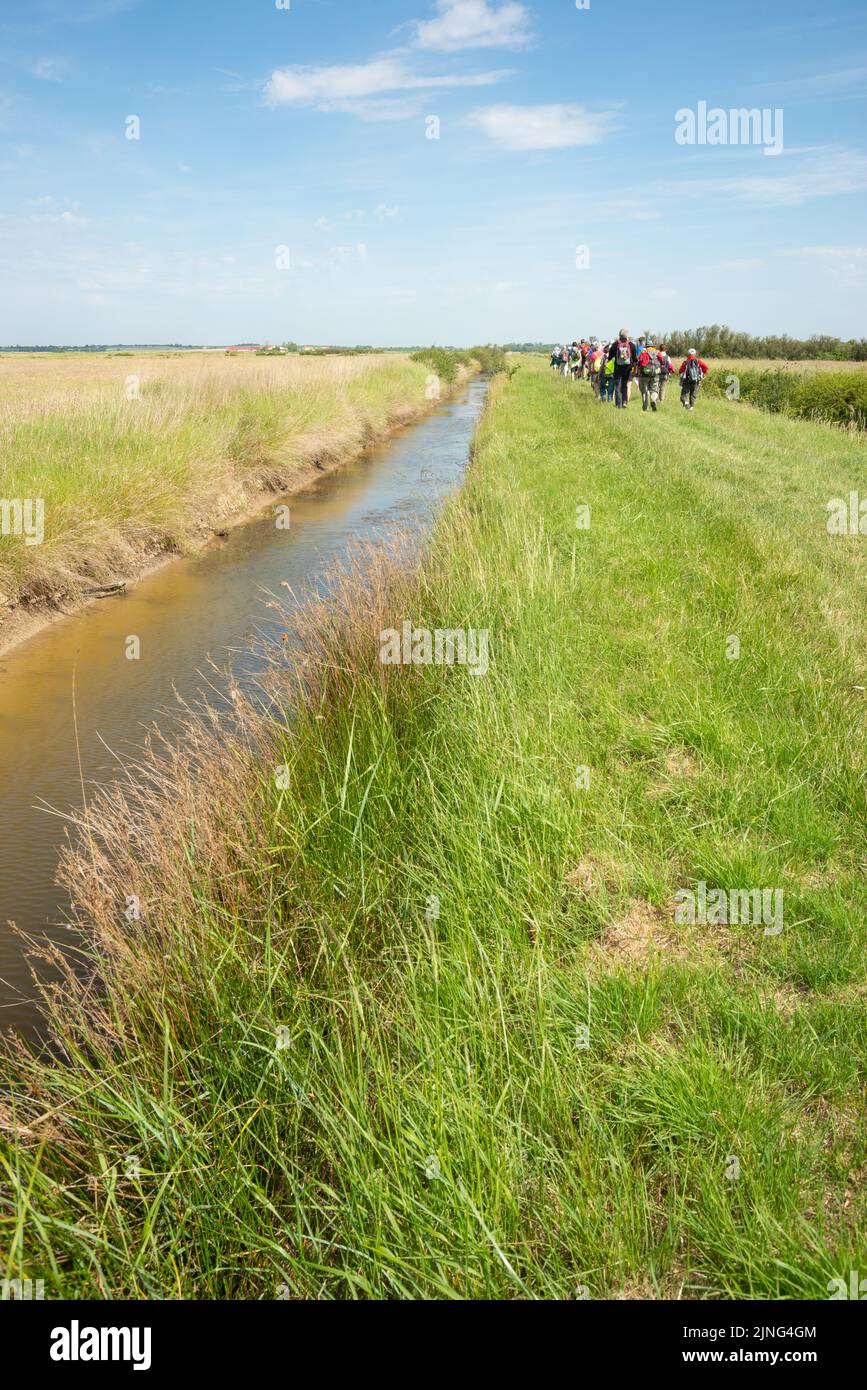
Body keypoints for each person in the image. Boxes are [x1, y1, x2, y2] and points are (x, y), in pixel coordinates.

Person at [607, 329, 637, 408]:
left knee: (617, 386)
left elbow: (610, 357)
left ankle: (618, 405)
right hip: (627, 369)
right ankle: (624, 402)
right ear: (627, 336)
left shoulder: (615, 344)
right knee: (625, 386)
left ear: (619, 335)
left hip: (617, 368)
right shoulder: (631, 345)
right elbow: (635, 359)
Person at [636, 341, 663, 412]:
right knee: (654, 390)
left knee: (644, 392)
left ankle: (644, 408)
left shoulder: (644, 352)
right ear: (653, 346)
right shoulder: (657, 352)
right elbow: (662, 361)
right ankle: (653, 400)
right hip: (655, 374)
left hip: (644, 375)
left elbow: (640, 362)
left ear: (646, 346)